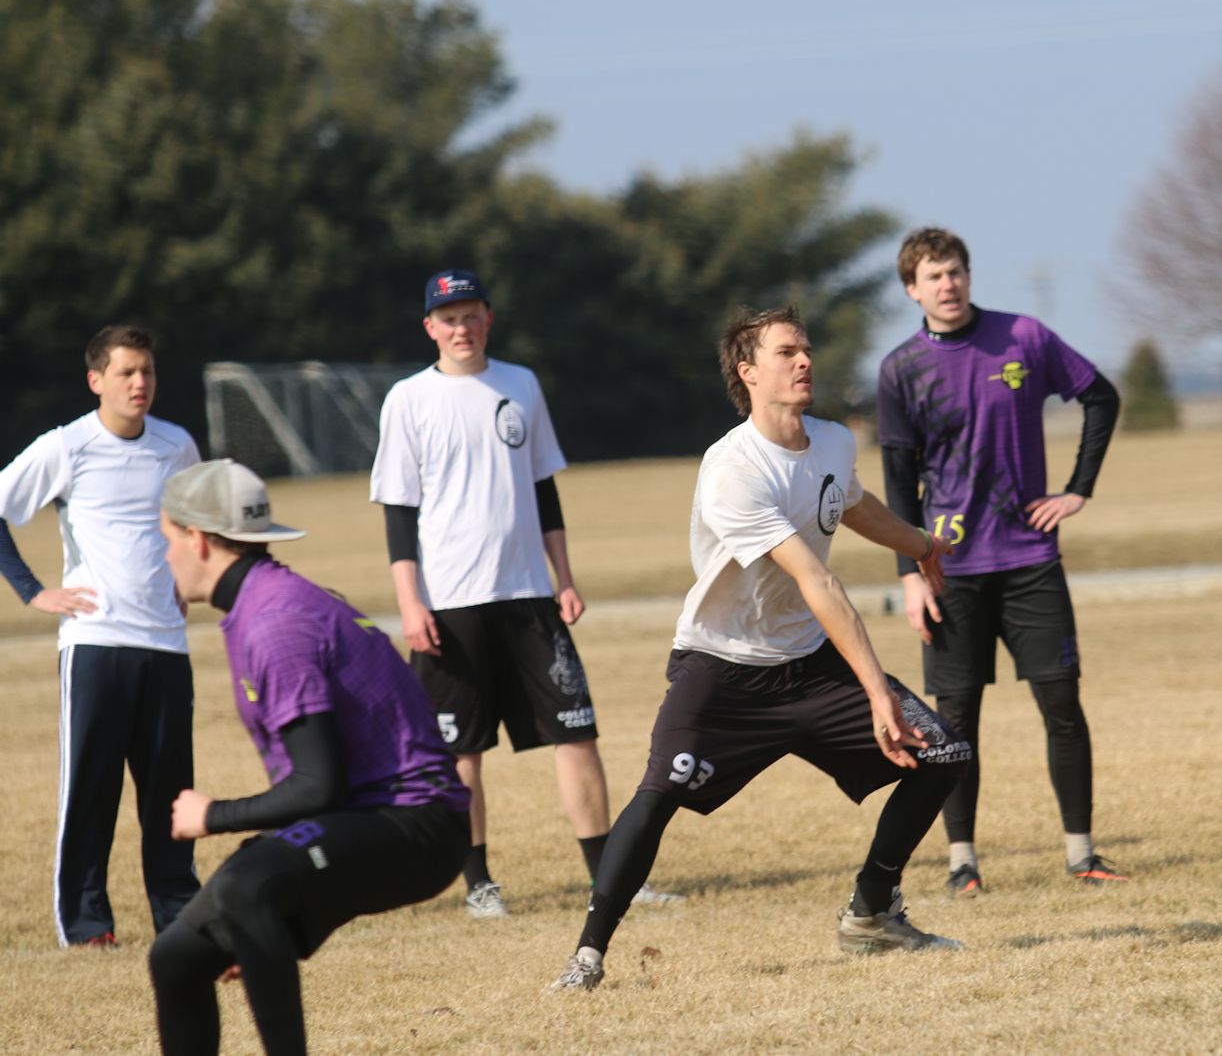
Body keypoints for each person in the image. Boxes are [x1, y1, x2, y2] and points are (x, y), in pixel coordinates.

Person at [547, 305, 971, 993]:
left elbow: (851, 503)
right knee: (658, 794)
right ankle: (587, 957)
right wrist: (877, 693)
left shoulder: (833, 441)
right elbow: (816, 580)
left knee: (943, 753)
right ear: (747, 372)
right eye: (786, 352)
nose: (805, 361)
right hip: (723, 669)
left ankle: (871, 913)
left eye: (806, 349)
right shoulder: (732, 469)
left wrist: (920, 543)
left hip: (809, 665)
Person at [371, 269, 676, 916]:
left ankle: (609, 879)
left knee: (577, 735)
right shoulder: (408, 399)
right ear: (430, 327)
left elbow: (544, 489)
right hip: (450, 601)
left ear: (488, 319)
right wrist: (409, 602)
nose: (461, 328)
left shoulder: (521, 384)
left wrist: (564, 577)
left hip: (530, 596)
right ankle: (479, 884)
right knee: (462, 750)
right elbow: (399, 510)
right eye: (448, 318)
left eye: (471, 315)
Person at [147, 459, 470, 1055]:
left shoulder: (275, 622)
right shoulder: (265, 602)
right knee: (177, 955)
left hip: (419, 823)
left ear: (197, 539)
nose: (164, 556)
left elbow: (319, 785)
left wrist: (212, 815)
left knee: (245, 887)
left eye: (167, 539)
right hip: (370, 815)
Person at [876, 227, 1125, 895]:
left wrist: (1077, 490)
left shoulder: (1024, 338)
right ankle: (963, 863)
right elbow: (898, 479)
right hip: (948, 568)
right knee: (954, 720)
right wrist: (909, 572)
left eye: (955, 271)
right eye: (933, 276)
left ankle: (1082, 854)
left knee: (1062, 704)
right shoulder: (901, 369)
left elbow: (1101, 397)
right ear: (912, 289)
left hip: (1029, 558)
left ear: (968, 275)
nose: (948, 284)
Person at [0, 325, 202, 947]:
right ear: (96, 381)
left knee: (170, 794)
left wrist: (189, 580)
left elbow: (195, 520)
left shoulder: (176, 445)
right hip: (95, 644)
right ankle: (87, 925)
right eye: (125, 373)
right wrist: (34, 591)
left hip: (166, 645)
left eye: (147, 371)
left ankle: (180, 916)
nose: (140, 383)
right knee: (90, 791)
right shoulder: (66, 447)